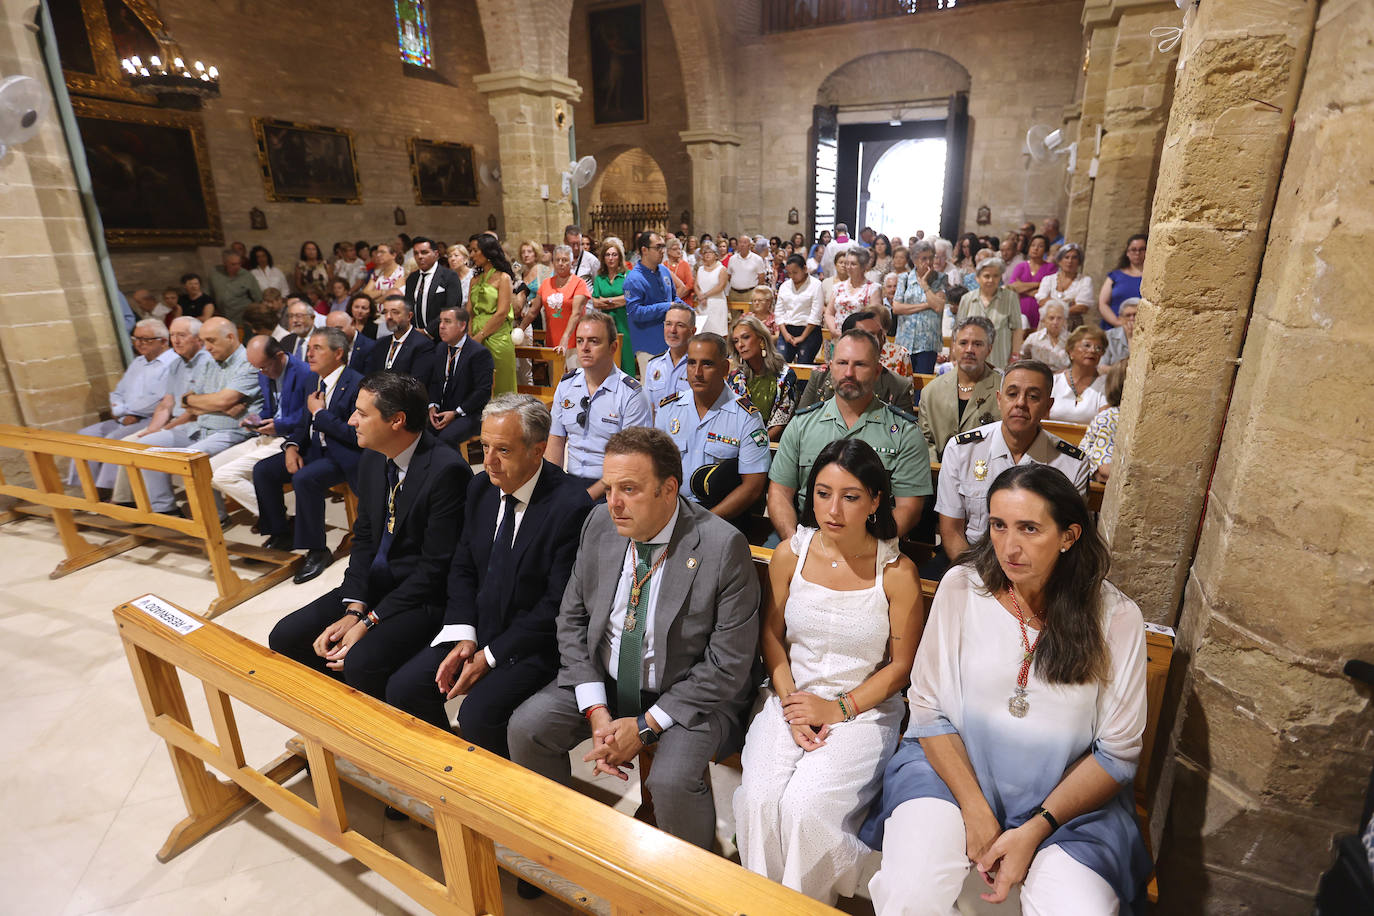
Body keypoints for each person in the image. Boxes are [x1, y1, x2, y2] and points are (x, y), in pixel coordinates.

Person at [864, 464, 1150, 915]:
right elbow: (927, 709)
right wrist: (975, 809)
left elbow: (1117, 753)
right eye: (998, 525)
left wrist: (1036, 828)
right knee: (910, 892)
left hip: (1064, 806)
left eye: (1029, 529)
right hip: (951, 774)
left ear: (1069, 536)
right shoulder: (962, 587)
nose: (1009, 547)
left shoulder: (1115, 618)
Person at [507, 427, 761, 850]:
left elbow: (728, 665)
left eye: (629, 489)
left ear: (669, 489)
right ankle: (558, 843)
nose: (614, 503)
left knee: (672, 781)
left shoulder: (721, 546)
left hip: (687, 694)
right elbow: (571, 617)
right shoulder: (600, 525)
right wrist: (596, 711)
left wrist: (644, 728)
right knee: (528, 728)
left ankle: (695, 885)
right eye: (609, 488)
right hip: (606, 678)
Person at [735, 439, 922, 904]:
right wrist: (794, 705)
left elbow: (900, 667)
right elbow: (771, 637)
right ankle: (760, 903)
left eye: (850, 496)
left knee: (805, 808)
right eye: (822, 493)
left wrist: (838, 708)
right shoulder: (790, 555)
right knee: (759, 800)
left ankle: (805, 904)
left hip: (864, 708)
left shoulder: (896, 571)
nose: (833, 509)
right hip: (789, 695)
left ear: (876, 501)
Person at [383, 394, 594, 747]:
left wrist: (490, 656)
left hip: (533, 642)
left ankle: (502, 794)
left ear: (538, 450)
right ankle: (443, 778)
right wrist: (465, 633)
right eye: (484, 446)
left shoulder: (571, 505)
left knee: (478, 715)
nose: (489, 462)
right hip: (480, 627)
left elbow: (555, 605)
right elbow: (463, 566)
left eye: (504, 451)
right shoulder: (481, 488)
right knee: (404, 688)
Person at [267, 372, 471, 708]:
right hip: (377, 586)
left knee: (362, 659)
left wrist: (369, 621)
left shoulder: (446, 471)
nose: (351, 421)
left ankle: (398, 741)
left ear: (397, 421)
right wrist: (355, 605)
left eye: (362, 414)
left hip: (423, 596)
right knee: (286, 636)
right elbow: (363, 539)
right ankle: (346, 717)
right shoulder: (374, 456)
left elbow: (435, 569)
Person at [769, 331, 931, 540]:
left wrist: (865, 551)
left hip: (874, 542)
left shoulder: (904, 433)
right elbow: (779, 493)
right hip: (806, 536)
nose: (849, 373)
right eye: (842, 363)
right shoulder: (801, 425)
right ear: (831, 367)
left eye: (860, 365)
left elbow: (908, 509)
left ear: (877, 371)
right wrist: (795, 543)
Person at [935, 360, 1091, 571]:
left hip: (1038, 571)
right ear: (999, 400)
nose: (1020, 403)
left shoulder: (1071, 464)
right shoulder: (963, 449)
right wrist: (978, 582)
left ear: (1048, 406)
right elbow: (952, 531)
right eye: (1012, 394)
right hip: (972, 565)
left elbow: (1066, 540)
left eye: (1033, 396)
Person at [253, 327, 365, 583]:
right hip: (314, 448)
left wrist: (320, 413)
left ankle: (317, 550)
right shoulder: (312, 380)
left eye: (317, 348)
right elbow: (303, 425)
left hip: (344, 454)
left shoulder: (357, 383)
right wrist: (291, 446)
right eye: (309, 348)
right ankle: (281, 532)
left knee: (305, 479)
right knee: (264, 470)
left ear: (338, 353)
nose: (309, 353)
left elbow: (352, 435)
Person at [128, 318, 262, 514]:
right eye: (204, 341)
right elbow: (187, 402)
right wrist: (211, 402)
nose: (206, 347)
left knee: (188, 459)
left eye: (211, 341)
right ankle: (163, 509)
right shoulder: (212, 362)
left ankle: (214, 517)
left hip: (230, 431)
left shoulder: (247, 362)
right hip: (199, 426)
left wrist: (212, 402)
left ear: (231, 337)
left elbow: (223, 400)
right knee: (144, 447)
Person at [654, 333, 770, 521]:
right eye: (691, 363)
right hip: (671, 509)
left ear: (725, 368)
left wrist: (705, 522)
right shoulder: (669, 409)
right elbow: (654, 468)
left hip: (722, 518)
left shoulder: (746, 417)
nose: (697, 372)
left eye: (707, 364)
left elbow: (752, 487)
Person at [548, 311, 651, 499]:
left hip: (612, 488)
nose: (584, 348)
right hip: (570, 482)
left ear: (613, 347)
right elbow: (555, 442)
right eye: (580, 341)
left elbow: (631, 460)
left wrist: (586, 497)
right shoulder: (566, 385)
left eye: (594, 341)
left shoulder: (631, 394)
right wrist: (551, 487)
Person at [208, 334, 313, 517]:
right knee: (207, 470)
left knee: (225, 475)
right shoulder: (264, 373)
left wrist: (279, 426)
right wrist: (255, 419)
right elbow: (269, 408)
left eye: (264, 367)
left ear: (279, 356)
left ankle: (279, 518)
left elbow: (309, 417)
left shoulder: (305, 373)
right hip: (266, 435)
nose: (261, 372)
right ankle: (273, 515)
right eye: (257, 368)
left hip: (290, 439)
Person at [69, 319, 178, 489]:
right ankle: (86, 489)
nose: (139, 344)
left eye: (146, 339)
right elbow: (118, 392)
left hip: (152, 419)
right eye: (136, 339)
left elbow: (159, 400)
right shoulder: (138, 362)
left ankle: (112, 492)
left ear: (163, 341)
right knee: (84, 435)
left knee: (114, 439)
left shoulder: (173, 363)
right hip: (125, 416)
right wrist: (121, 411)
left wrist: (129, 412)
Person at [796, 311, 916, 415]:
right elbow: (802, 422)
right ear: (846, 338)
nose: (878, 341)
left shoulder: (898, 385)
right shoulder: (820, 377)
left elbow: (904, 434)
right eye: (868, 335)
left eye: (880, 335)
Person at [919, 317, 1002, 465]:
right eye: (963, 343)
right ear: (953, 347)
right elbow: (925, 442)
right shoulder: (931, 392)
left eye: (977, 344)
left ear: (989, 349)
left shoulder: (1003, 390)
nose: (969, 350)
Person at [426, 305, 493, 448]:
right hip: (443, 410)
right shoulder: (441, 348)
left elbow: (483, 392)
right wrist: (433, 406)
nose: (441, 326)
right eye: (441, 322)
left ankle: (454, 470)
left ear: (462, 326)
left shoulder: (478, 353)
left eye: (447, 322)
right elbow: (434, 382)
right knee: (417, 432)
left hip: (469, 413)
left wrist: (455, 413)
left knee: (445, 439)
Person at [727, 314, 798, 440]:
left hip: (773, 444)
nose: (740, 345)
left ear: (761, 340)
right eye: (736, 341)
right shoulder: (735, 377)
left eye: (746, 337)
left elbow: (781, 421)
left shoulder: (785, 375)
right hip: (739, 442)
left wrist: (756, 444)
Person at [624, 231, 684, 376]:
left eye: (663, 247)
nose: (662, 251)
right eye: (658, 247)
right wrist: (667, 307)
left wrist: (687, 310)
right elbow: (635, 312)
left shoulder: (663, 270)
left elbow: (674, 297)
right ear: (644, 250)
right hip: (648, 344)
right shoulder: (634, 279)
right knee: (652, 389)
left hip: (670, 341)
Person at [467, 235, 518, 395]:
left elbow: (502, 312)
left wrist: (481, 335)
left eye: (475, 250)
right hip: (474, 337)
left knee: (501, 387)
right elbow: (469, 311)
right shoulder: (474, 280)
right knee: (478, 385)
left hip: (497, 337)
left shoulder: (503, 278)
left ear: (488, 252)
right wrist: (470, 335)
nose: (472, 254)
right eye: (471, 250)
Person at [893, 240, 948, 374]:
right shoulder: (904, 278)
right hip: (905, 342)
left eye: (931, 257)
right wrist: (925, 305)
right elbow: (897, 308)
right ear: (915, 260)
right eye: (924, 258)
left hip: (928, 344)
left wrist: (925, 285)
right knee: (904, 386)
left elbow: (938, 307)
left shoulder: (940, 278)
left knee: (922, 388)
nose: (928, 262)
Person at [958, 257, 1022, 371]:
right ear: (977, 278)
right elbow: (958, 331)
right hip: (972, 361)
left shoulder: (1010, 297)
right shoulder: (967, 299)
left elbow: (1017, 329)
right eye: (986, 276)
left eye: (996, 276)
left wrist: (1015, 356)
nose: (991, 280)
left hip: (1000, 360)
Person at [590, 237, 637, 375]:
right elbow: (596, 302)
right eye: (607, 255)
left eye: (614, 255)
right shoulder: (600, 277)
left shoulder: (627, 275)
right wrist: (615, 300)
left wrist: (607, 301)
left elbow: (627, 299)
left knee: (626, 360)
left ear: (620, 257)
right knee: (607, 359)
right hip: (605, 324)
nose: (611, 258)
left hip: (624, 323)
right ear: (603, 258)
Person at [537, 245, 592, 353]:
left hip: (574, 341)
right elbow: (533, 311)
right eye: (557, 260)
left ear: (571, 262)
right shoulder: (546, 283)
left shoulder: (579, 283)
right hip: (552, 340)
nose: (560, 263)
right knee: (554, 370)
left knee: (574, 369)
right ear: (553, 262)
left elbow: (576, 313)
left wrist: (565, 337)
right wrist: (521, 328)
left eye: (565, 260)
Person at [367, 295, 435, 381]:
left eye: (395, 312)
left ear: (409, 316)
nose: (389, 317)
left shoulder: (423, 345)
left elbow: (417, 382)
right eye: (385, 312)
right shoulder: (381, 343)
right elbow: (372, 376)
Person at [1049, 326, 1109, 423]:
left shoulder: (1106, 385)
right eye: (1087, 345)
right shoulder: (1054, 382)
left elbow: (1104, 423)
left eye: (1098, 348)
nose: (1093, 350)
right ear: (1071, 351)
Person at [643, 304, 695, 416]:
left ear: (692, 331)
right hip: (658, 431)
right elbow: (649, 408)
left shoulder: (698, 366)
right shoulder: (654, 365)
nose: (672, 330)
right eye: (668, 324)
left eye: (680, 325)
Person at [405, 236, 462, 337]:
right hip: (415, 335)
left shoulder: (449, 276)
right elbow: (408, 306)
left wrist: (428, 331)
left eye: (424, 252)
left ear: (435, 254)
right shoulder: (412, 278)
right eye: (416, 253)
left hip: (441, 336)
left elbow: (451, 307)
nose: (420, 256)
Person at [774, 253, 825, 364]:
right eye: (789, 273)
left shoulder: (816, 285)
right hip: (787, 330)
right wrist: (786, 334)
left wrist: (802, 337)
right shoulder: (785, 286)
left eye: (795, 272)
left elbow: (816, 314)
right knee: (780, 364)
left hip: (808, 330)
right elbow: (779, 312)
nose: (792, 276)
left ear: (805, 269)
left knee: (804, 364)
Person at [825, 249, 883, 338]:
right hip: (838, 336)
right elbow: (829, 313)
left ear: (864, 266)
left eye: (853, 264)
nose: (848, 267)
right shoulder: (838, 287)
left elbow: (875, 317)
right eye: (847, 263)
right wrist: (834, 330)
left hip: (862, 338)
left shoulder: (873, 288)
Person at [1036, 243, 1094, 329]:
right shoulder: (1048, 279)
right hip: (1047, 325)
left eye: (1074, 258)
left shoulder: (1085, 281)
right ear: (1059, 261)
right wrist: (1068, 304)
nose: (1070, 261)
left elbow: (1082, 307)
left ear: (1079, 261)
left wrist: (1052, 302)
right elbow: (1041, 301)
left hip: (1071, 327)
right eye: (1066, 257)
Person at [1007, 234, 1057, 331]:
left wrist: (1022, 287)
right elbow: (1013, 287)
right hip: (1020, 310)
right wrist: (1040, 285)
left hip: (1041, 312)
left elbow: (1051, 289)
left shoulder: (1051, 267)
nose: (1035, 248)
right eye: (1033, 245)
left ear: (1046, 250)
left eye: (1040, 246)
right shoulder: (1021, 266)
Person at [1098, 234, 1147, 329]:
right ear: (1127, 252)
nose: (1137, 253)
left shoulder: (1152, 278)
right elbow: (1103, 303)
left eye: (1142, 249)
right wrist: (1118, 323)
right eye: (1133, 249)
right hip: (1114, 329)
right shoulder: (1115, 276)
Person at [207, 249, 262, 327]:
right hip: (223, 319)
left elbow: (258, 298)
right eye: (233, 264)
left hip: (243, 320)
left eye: (239, 263)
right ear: (225, 263)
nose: (237, 267)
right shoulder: (215, 273)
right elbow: (210, 294)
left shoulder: (247, 276)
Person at [691, 240, 730, 336]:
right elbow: (696, 285)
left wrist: (704, 295)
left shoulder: (722, 269)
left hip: (717, 304)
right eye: (705, 252)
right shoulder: (700, 269)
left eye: (710, 252)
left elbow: (720, 286)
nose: (707, 255)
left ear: (716, 255)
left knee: (717, 333)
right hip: (703, 305)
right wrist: (700, 295)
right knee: (703, 332)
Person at [1020, 299, 1071, 371]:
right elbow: (1022, 358)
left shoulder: (1072, 340)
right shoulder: (1033, 339)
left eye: (1059, 318)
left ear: (1064, 320)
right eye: (1051, 318)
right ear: (1044, 320)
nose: (1055, 322)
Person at [726, 231, 768, 311]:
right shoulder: (732, 259)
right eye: (740, 242)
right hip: (734, 293)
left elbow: (761, 278)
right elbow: (729, 276)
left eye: (745, 242)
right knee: (735, 320)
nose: (742, 245)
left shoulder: (757, 259)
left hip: (749, 293)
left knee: (749, 318)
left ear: (749, 245)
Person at [325, 309, 375, 373]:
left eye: (338, 328)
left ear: (353, 324)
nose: (334, 334)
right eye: (330, 330)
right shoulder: (327, 346)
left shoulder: (370, 347)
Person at [1102, 298, 1139, 370]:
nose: (1132, 318)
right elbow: (1101, 367)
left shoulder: (1148, 337)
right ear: (1120, 319)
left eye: (1135, 314)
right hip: (1113, 379)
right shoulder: (1109, 336)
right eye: (1128, 315)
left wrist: (1130, 338)